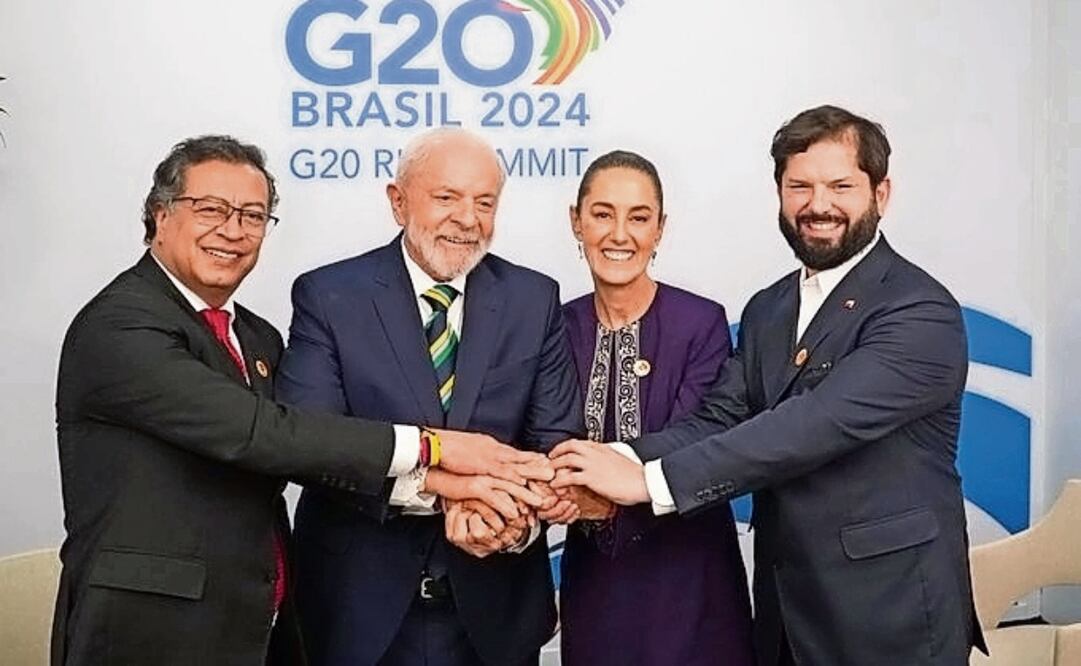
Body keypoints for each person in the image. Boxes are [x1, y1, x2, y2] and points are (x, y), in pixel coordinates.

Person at [52, 135, 550, 666]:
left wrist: (462, 488)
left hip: (254, 625)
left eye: (252, 215)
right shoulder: (121, 325)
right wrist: (436, 450)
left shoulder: (256, 337)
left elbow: (303, 450)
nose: (233, 230)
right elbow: (264, 433)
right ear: (159, 214)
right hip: (149, 632)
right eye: (211, 209)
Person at [551, 106, 988, 665]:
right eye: (799, 185)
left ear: (881, 194)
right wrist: (602, 460)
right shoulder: (769, 308)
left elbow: (812, 425)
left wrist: (649, 481)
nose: (818, 204)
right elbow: (719, 420)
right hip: (786, 614)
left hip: (887, 616)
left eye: (840, 186)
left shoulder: (919, 310)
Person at [275, 128, 582, 666]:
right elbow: (311, 443)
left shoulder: (534, 299)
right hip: (355, 615)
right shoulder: (329, 296)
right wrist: (443, 490)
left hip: (493, 613)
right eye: (446, 197)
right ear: (398, 202)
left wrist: (514, 523)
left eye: (484, 202)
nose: (468, 218)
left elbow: (556, 444)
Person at [557, 150, 754, 665]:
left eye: (639, 217)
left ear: (660, 229)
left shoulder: (702, 323)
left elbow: (702, 436)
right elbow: (543, 438)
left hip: (690, 580)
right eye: (602, 213)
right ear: (575, 221)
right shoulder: (554, 328)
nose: (619, 234)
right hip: (594, 581)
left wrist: (606, 478)